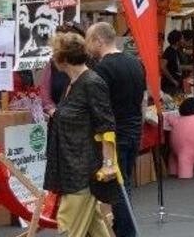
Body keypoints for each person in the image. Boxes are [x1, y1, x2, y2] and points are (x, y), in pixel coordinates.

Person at [43, 32, 117, 237]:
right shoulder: (73, 84)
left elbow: (106, 125)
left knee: (67, 225)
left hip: (82, 169)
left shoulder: (91, 83)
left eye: (54, 54)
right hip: (72, 166)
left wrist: (108, 164)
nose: (52, 59)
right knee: (95, 227)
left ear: (63, 59)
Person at [85, 22, 146, 237]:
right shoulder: (135, 63)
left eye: (89, 40)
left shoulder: (102, 70)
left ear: (98, 40)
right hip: (134, 129)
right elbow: (142, 100)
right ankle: (122, 228)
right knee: (124, 183)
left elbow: (99, 108)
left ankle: (126, 232)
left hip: (115, 134)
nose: (87, 46)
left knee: (119, 187)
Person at [40, 23, 86, 116]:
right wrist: (55, 113)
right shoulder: (52, 66)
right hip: (59, 119)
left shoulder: (90, 78)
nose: (54, 56)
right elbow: (45, 96)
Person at [161, 29, 185, 94]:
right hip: (169, 85)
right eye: (182, 39)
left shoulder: (177, 50)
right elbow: (162, 66)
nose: (183, 40)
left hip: (176, 82)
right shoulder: (168, 51)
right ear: (177, 42)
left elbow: (177, 66)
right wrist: (173, 80)